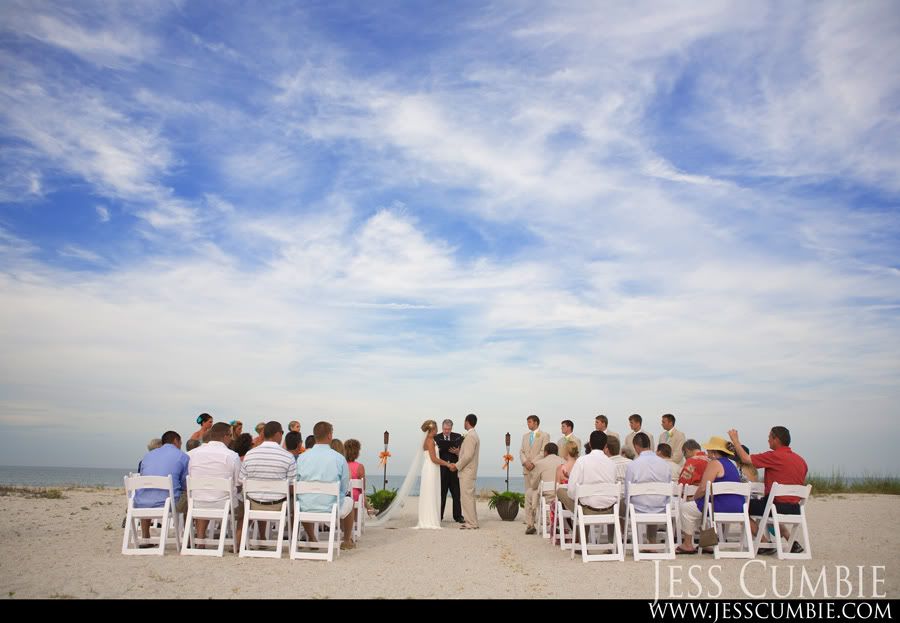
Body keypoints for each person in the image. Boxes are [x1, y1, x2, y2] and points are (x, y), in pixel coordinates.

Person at [727, 427, 808, 551]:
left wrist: (735, 440)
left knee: (739, 507)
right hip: (795, 508)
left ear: (776, 439)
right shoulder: (801, 461)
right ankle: (792, 542)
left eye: (770, 437)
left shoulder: (774, 456)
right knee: (770, 507)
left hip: (774, 506)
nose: (768, 440)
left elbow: (745, 459)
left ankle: (764, 543)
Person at [676, 436, 744, 554]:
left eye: (709, 450)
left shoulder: (714, 463)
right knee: (703, 511)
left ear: (713, 452)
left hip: (720, 506)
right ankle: (707, 543)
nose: (707, 452)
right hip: (738, 506)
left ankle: (687, 544)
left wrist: (695, 498)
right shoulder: (732, 464)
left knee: (687, 508)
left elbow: (703, 488)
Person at [295, 421, 355, 550]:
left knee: (303, 499)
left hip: (305, 506)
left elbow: (296, 482)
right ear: (329, 435)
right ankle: (346, 540)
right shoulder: (339, 458)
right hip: (331, 507)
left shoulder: (302, 458)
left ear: (315, 435)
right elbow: (344, 487)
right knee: (350, 501)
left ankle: (312, 537)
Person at [186, 422, 243, 550]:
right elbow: (238, 482)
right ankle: (238, 544)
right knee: (245, 508)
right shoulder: (232, 456)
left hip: (196, 503)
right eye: (231, 436)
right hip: (224, 504)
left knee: (203, 496)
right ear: (226, 436)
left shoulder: (191, 454)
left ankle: (200, 540)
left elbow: (187, 478)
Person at [240, 421, 296, 543]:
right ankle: (294, 540)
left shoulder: (249, 454)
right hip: (278, 506)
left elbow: (242, 481)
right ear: (277, 434)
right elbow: (292, 487)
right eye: (282, 432)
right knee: (295, 499)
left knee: (254, 498)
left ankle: (247, 540)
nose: (282, 435)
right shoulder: (288, 456)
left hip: (253, 504)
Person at [133, 430, 189, 543]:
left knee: (146, 493)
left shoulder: (147, 456)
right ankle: (187, 538)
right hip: (168, 503)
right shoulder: (182, 456)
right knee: (189, 497)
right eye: (180, 443)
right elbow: (185, 482)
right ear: (176, 441)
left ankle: (145, 536)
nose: (180, 446)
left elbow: (143, 477)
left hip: (141, 502)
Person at [556, 431, 618, 524]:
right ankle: (610, 538)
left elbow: (572, 491)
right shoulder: (612, 463)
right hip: (609, 509)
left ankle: (580, 534)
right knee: (583, 499)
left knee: (561, 491)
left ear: (590, 444)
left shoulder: (582, 461)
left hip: (587, 511)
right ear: (605, 446)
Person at [623, 432, 670, 547]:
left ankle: (618, 542)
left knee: (619, 505)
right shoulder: (664, 464)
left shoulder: (633, 465)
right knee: (653, 499)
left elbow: (627, 492)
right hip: (661, 507)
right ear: (649, 445)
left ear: (636, 446)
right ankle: (652, 542)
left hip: (639, 508)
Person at [416, 420, 455, 530]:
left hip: (430, 468)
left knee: (430, 492)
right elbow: (433, 459)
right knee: (431, 492)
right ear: (432, 429)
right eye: (436, 428)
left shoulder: (428, 440)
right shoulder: (429, 441)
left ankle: (428, 518)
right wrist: (447, 464)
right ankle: (429, 520)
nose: (437, 430)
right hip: (431, 469)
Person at [524, 443, 565, 535]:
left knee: (529, 493)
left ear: (546, 452)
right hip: (561, 496)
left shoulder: (540, 463)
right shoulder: (564, 462)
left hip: (546, 496)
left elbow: (534, 484)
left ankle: (530, 524)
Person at [434, 419, 464, 523]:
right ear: (442, 428)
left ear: (452, 428)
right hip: (442, 470)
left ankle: (458, 516)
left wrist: (457, 452)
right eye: (445, 429)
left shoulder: (458, 436)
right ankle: (439, 516)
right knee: (442, 494)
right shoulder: (437, 437)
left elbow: (464, 454)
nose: (446, 431)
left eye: (448, 429)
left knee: (456, 494)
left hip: (454, 469)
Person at [456, 414, 481, 529]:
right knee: (467, 496)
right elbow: (466, 454)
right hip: (468, 471)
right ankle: (470, 521)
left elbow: (468, 456)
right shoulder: (473, 435)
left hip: (467, 471)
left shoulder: (470, 436)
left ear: (467, 421)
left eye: (464, 421)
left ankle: (471, 523)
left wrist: (457, 466)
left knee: (467, 497)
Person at [344, 439, 367, 515]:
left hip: (343, 496)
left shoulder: (342, 465)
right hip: (355, 498)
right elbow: (363, 487)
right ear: (356, 452)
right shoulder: (360, 467)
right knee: (359, 495)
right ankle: (355, 522)